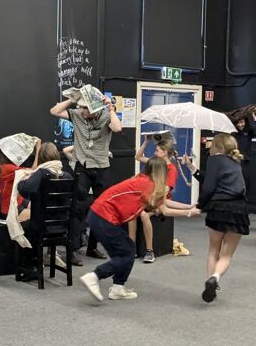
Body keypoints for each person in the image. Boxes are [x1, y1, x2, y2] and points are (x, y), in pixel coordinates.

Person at [79, 158, 200, 302]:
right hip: (104, 216)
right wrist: (190, 212)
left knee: (127, 250)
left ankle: (118, 288)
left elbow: (163, 202)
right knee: (126, 253)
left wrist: (188, 207)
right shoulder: (149, 186)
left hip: (99, 214)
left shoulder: (143, 181)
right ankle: (95, 276)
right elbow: (165, 210)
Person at [50, 93, 122, 260]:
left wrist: (110, 108)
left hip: (102, 166)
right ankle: (73, 249)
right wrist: (73, 99)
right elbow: (54, 111)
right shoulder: (77, 114)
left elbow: (117, 128)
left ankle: (92, 247)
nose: (81, 110)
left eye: (85, 108)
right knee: (77, 208)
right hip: (82, 165)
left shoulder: (106, 116)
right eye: (80, 107)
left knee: (101, 208)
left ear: (95, 109)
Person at [184, 134, 250, 303]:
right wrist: (192, 168)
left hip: (218, 208)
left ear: (217, 146)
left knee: (214, 250)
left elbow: (209, 186)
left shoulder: (214, 159)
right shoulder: (235, 161)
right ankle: (215, 277)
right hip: (238, 210)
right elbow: (214, 179)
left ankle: (209, 282)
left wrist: (200, 205)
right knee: (226, 255)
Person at [128, 135, 194, 263]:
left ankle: (150, 251)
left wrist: (150, 199)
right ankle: (131, 248)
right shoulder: (155, 163)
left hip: (160, 201)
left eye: (157, 150)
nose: (155, 153)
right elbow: (138, 157)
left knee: (144, 215)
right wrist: (146, 141)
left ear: (165, 152)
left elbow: (164, 192)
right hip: (148, 198)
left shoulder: (171, 169)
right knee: (132, 212)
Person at [15, 143, 74, 270]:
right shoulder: (67, 176)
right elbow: (80, 194)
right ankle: (42, 259)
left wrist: (25, 178)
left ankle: (30, 266)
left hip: (41, 227)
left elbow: (23, 188)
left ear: (41, 158)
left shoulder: (41, 173)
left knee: (21, 227)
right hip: (63, 227)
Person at [231, 105, 256, 198]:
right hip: (233, 161)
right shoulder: (232, 132)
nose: (240, 125)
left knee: (245, 183)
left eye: (242, 122)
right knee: (234, 183)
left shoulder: (248, 131)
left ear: (245, 121)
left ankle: (244, 201)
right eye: (238, 123)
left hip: (245, 161)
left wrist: (254, 116)